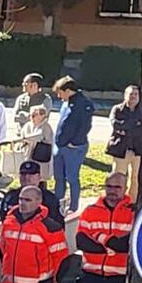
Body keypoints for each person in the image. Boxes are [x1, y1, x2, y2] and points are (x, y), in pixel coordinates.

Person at [52, 75, 94, 213]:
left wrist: (74, 143)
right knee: (59, 177)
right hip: (60, 146)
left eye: (60, 92)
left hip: (73, 148)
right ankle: (58, 204)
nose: (59, 96)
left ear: (68, 90)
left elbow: (85, 127)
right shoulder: (66, 103)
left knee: (72, 177)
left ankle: (73, 207)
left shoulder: (84, 104)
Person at [106, 85, 142, 199]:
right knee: (118, 177)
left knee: (135, 178)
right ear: (125, 96)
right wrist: (133, 124)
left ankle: (131, 203)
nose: (133, 97)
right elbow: (116, 124)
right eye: (131, 94)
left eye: (136, 94)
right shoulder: (117, 109)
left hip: (137, 150)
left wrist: (126, 127)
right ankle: (116, 199)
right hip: (121, 150)